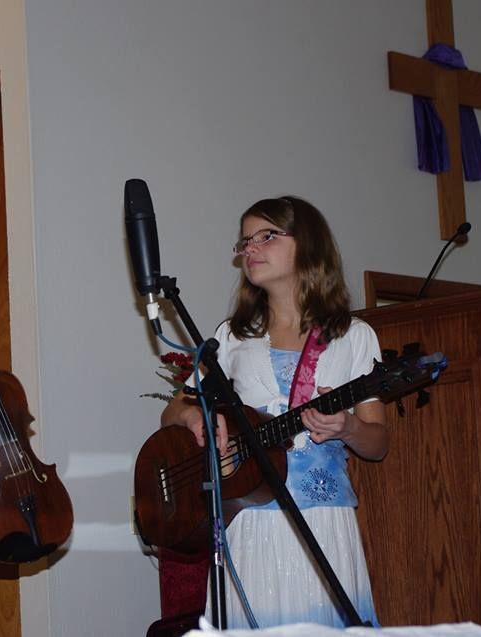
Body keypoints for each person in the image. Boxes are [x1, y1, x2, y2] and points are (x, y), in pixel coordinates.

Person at [160, 196, 387, 628]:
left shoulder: (353, 336)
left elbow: (378, 444)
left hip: (324, 522)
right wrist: (196, 419)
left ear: (309, 244)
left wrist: (350, 427)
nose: (251, 249)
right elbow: (174, 410)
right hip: (250, 520)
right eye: (245, 241)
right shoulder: (232, 336)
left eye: (266, 236)